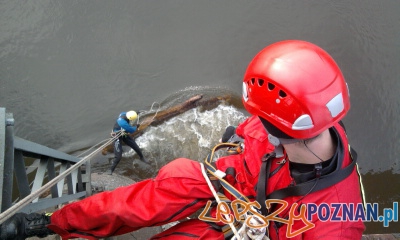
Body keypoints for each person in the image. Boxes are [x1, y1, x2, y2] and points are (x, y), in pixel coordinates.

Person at [0, 40, 365, 239]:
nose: (255, 121)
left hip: (257, 223)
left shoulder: (334, 226)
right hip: (230, 184)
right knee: (150, 194)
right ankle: (54, 222)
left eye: (262, 116)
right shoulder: (306, 126)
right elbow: (249, 139)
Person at [107, 110, 149, 175]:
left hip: (123, 134)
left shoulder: (123, 114)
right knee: (118, 156)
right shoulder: (123, 123)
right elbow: (132, 130)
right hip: (116, 137)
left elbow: (129, 114)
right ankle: (110, 170)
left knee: (135, 146)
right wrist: (137, 126)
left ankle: (142, 158)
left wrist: (136, 113)